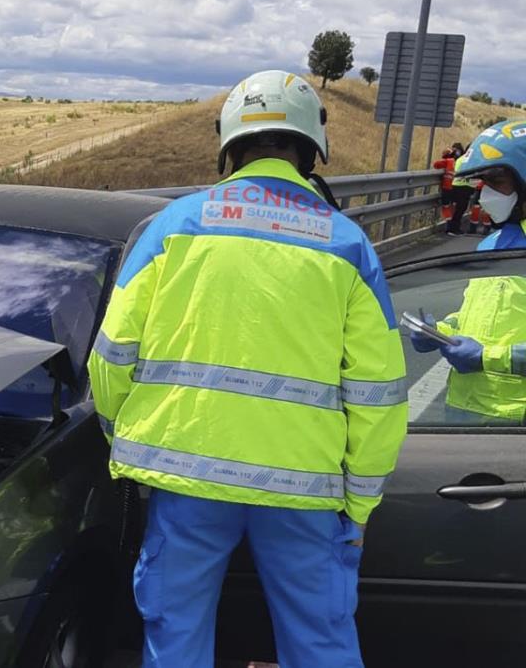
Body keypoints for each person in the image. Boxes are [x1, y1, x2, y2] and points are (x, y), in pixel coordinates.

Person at [88, 70, 407, 667]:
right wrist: (359, 506)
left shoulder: (172, 227)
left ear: (227, 147)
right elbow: (379, 395)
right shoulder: (347, 245)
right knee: (320, 640)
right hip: (304, 492)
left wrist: (123, 439)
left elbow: (111, 358)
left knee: (174, 635)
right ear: (312, 151)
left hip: (184, 480)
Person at [410, 120, 526, 423]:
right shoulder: (492, 244)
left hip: (514, 423)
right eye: (483, 182)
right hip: (462, 411)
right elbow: (478, 317)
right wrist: (441, 332)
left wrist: (485, 357)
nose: (485, 193)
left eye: (497, 181)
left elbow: (486, 346)